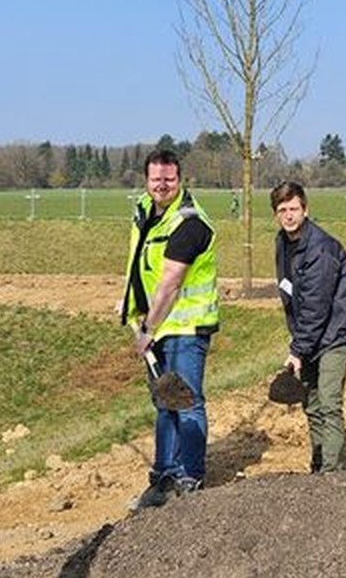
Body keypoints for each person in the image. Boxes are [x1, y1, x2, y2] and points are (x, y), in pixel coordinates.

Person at [120, 148, 220, 509]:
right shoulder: (146, 211)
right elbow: (140, 265)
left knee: (187, 401)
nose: (161, 185)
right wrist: (130, 304)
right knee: (165, 402)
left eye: (169, 179)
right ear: (146, 180)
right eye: (155, 179)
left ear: (180, 180)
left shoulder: (189, 223)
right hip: (158, 324)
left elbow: (170, 284)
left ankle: (190, 478)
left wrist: (147, 328)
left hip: (185, 327)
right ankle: (164, 476)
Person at [271, 181, 346, 473]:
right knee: (310, 402)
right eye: (282, 210)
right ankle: (318, 463)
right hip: (309, 334)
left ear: (305, 210)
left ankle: (331, 475)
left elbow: (316, 305)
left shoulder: (320, 249)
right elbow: (291, 293)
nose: (288, 215)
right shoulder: (282, 243)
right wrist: (298, 339)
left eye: (294, 209)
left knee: (328, 402)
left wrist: (297, 349)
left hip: (334, 333)